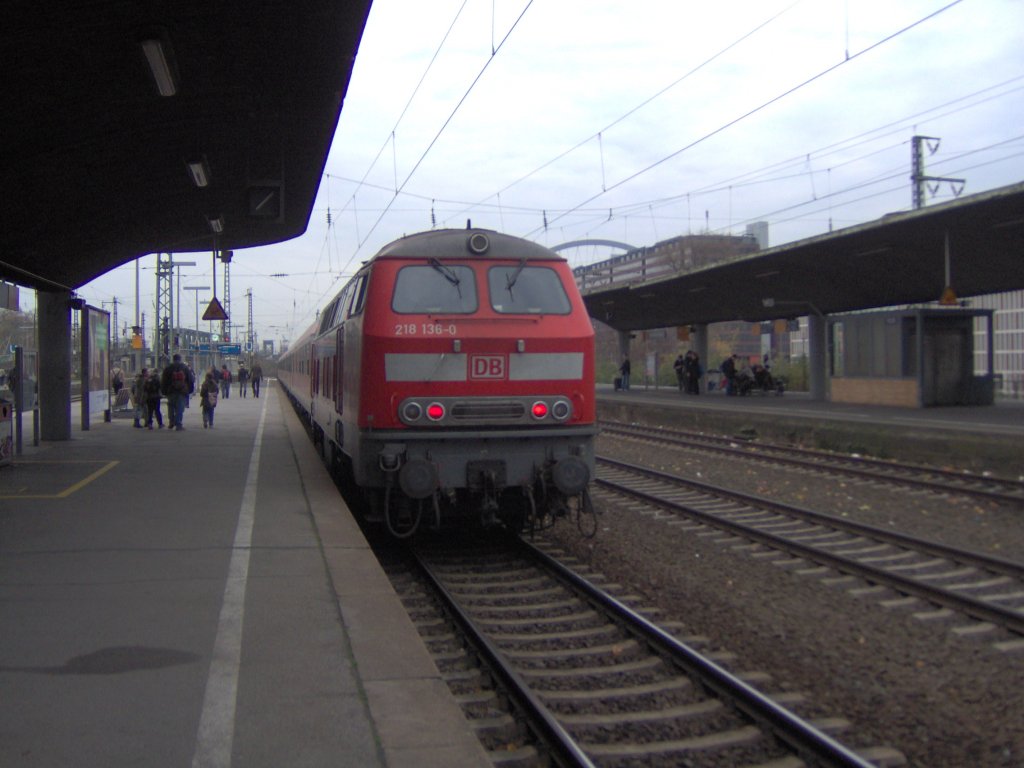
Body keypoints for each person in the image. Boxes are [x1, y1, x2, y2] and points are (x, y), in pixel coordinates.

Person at [161, 353, 195, 430]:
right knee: (180, 407)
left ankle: (171, 422)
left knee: (171, 406)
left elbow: (163, 380)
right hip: (181, 391)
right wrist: (190, 390)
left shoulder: (168, 368)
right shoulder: (184, 367)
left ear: (173, 359)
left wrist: (164, 391)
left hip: (170, 391)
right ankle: (178, 423)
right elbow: (190, 379)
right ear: (180, 359)